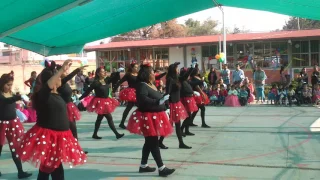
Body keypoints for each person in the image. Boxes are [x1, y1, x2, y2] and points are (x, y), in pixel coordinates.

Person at [17, 60, 87, 180]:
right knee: (47, 170)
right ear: (53, 80)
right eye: (58, 78)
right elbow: (48, 84)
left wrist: (68, 71)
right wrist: (60, 70)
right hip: (50, 137)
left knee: (56, 169)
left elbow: (60, 81)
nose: (61, 79)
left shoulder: (57, 94)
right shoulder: (43, 95)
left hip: (60, 137)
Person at [126, 63, 175, 177]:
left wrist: (164, 103)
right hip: (148, 117)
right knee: (153, 142)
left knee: (149, 142)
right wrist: (158, 102)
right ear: (147, 74)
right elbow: (143, 99)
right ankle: (162, 168)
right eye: (153, 72)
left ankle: (143, 166)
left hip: (155, 115)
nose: (154, 74)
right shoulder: (142, 85)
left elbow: (156, 97)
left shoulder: (150, 84)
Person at [0, 72, 32, 179]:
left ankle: (20, 171)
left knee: (15, 148)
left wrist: (24, 100)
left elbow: (13, 102)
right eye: (8, 85)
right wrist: (18, 97)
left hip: (13, 124)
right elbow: (6, 100)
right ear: (2, 84)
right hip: (2, 125)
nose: (9, 87)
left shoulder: (11, 93)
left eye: (11, 85)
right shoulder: (1, 95)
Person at [79, 67, 124, 140]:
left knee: (99, 119)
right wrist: (80, 98)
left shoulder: (106, 80)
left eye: (104, 71)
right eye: (102, 72)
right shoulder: (95, 83)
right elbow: (87, 91)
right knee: (109, 118)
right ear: (98, 74)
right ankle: (116, 134)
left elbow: (114, 78)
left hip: (106, 101)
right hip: (100, 103)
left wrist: (117, 71)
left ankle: (95, 134)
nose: (104, 73)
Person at [56, 63, 89, 154]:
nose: (66, 71)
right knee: (70, 130)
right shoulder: (60, 82)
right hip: (64, 109)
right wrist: (78, 69)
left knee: (72, 130)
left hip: (69, 107)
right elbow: (70, 76)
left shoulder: (63, 82)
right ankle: (70, 149)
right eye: (64, 70)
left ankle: (75, 149)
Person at [159, 62, 192, 149]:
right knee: (170, 124)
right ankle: (160, 141)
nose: (178, 69)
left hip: (177, 103)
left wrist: (190, 69)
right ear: (173, 69)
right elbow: (167, 93)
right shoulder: (170, 79)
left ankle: (180, 143)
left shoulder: (177, 78)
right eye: (177, 68)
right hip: (172, 104)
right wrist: (167, 106)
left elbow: (184, 77)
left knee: (176, 124)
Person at [113, 61, 139, 129]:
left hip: (138, 92)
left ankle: (125, 123)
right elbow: (120, 82)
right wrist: (114, 90)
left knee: (135, 108)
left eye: (137, 67)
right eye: (135, 67)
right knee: (130, 108)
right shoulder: (128, 74)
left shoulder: (139, 74)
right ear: (132, 68)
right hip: (132, 92)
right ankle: (123, 123)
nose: (137, 68)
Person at [179, 67, 199, 136]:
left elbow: (194, 83)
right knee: (188, 116)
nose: (189, 77)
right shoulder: (182, 81)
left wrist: (193, 92)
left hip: (189, 98)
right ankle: (181, 129)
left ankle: (186, 130)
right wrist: (191, 69)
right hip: (185, 99)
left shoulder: (186, 81)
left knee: (189, 115)